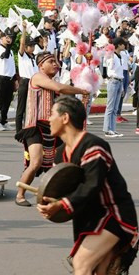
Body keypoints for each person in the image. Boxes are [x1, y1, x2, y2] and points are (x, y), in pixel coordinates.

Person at [36, 96, 139, 275]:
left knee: (82, 262)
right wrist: (50, 205)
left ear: (65, 118)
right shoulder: (61, 154)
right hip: (92, 219)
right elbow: (63, 191)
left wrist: (62, 204)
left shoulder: (94, 146)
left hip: (114, 215)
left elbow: (91, 186)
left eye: (52, 114)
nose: (48, 119)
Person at [14, 52, 89, 207]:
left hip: (51, 128)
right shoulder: (37, 77)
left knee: (58, 164)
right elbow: (60, 88)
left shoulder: (51, 82)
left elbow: (63, 100)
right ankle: (20, 195)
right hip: (35, 127)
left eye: (56, 62)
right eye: (51, 62)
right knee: (36, 162)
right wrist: (81, 90)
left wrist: (81, 102)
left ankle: (55, 194)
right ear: (41, 65)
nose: (56, 64)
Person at [0, 30, 16, 131]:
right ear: (1, 39)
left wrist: (14, 78)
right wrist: (8, 46)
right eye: (6, 37)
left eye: (10, 37)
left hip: (9, 78)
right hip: (1, 77)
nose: (9, 39)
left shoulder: (11, 50)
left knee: (7, 101)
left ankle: (4, 121)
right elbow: (5, 56)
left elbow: (12, 65)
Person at [103, 38, 126, 138]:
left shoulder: (120, 56)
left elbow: (120, 71)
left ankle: (112, 128)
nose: (124, 46)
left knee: (115, 108)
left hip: (119, 81)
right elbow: (110, 68)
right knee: (110, 107)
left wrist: (122, 87)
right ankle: (107, 129)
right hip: (113, 81)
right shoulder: (111, 55)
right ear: (118, 45)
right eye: (122, 44)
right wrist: (111, 57)